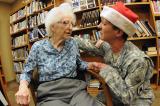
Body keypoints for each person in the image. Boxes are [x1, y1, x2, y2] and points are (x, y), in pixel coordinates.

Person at [15, 3, 104, 106]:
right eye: (65, 23)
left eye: (71, 24)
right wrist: (22, 87)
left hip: (75, 90)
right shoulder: (38, 47)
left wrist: (90, 65)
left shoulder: (72, 43)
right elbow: (26, 72)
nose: (70, 27)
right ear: (52, 26)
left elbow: (79, 63)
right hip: (49, 95)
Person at [74, 2, 155, 106]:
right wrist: (67, 38)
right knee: (86, 101)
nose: (99, 26)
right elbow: (88, 44)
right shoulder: (108, 46)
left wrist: (105, 68)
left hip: (136, 100)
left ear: (118, 32)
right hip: (114, 93)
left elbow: (128, 97)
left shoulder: (138, 60)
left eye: (104, 24)